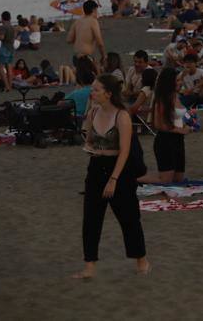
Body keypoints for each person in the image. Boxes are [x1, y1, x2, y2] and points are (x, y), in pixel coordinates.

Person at [72, 74, 150, 279]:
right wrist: (89, 145)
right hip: (96, 167)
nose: (92, 92)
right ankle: (90, 265)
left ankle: (141, 259)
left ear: (108, 94)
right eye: (93, 89)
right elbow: (87, 138)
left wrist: (113, 179)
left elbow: (124, 151)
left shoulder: (122, 115)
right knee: (91, 219)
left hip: (119, 170)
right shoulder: (94, 111)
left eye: (96, 89)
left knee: (129, 218)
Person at [147, 68, 190, 184]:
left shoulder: (176, 96)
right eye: (177, 80)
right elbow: (158, 124)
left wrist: (186, 126)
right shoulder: (162, 99)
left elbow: (180, 117)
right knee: (166, 180)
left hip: (178, 141)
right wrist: (178, 130)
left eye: (180, 80)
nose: (180, 83)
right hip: (165, 141)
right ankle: (134, 178)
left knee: (178, 179)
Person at [67, 1, 106, 70]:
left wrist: (81, 40)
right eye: (97, 10)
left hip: (76, 55)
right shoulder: (93, 21)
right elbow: (99, 42)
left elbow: (69, 39)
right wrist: (103, 56)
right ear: (94, 10)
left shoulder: (77, 21)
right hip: (86, 57)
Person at [0, 12, 16, 92]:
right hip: (11, 48)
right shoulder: (12, 27)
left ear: (2, 18)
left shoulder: (3, 27)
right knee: (9, 68)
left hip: (4, 47)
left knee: (1, 68)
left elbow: (2, 37)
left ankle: (7, 86)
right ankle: (10, 85)